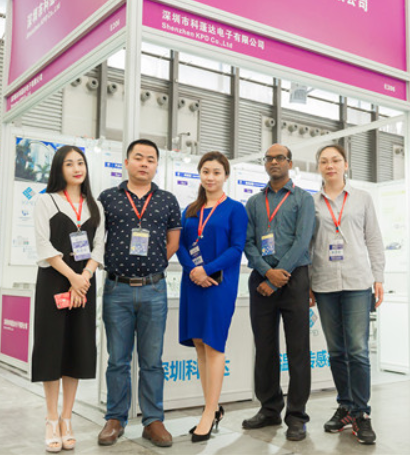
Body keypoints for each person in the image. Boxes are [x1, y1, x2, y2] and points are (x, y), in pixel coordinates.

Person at [98, 139, 181, 448]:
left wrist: (153, 266)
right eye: (138, 157)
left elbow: (173, 242)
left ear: (156, 165)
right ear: (127, 162)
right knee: (117, 360)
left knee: (152, 360)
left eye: (150, 159)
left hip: (153, 289)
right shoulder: (108, 198)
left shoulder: (167, 200)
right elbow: (98, 240)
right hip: (116, 289)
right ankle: (115, 419)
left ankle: (153, 420)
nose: (144, 163)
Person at [309, 144, 385, 445]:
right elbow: (308, 244)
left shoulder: (362, 198)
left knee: (357, 350)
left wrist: (379, 277)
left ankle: (362, 413)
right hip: (325, 283)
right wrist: (308, 284)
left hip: (356, 282)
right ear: (318, 167)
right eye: (324, 161)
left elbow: (374, 239)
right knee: (336, 351)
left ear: (345, 164)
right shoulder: (311, 203)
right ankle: (345, 406)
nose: (330, 165)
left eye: (335, 160)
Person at [32, 145, 104, 453]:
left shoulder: (94, 205)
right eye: (70, 163)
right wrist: (73, 277)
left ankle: (67, 418)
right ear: (59, 169)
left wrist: (84, 277)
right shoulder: (45, 200)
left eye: (81, 163)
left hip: (84, 283)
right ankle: (51, 419)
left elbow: (99, 247)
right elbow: (43, 245)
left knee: (77, 348)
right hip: (54, 280)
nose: (77, 168)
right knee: (51, 349)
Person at [242, 143, 315, 442]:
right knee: (265, 348)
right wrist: (265, 271)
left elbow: (302, 242)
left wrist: (276, 277)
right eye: (269, 158)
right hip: (261, 280)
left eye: (280, 158)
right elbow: (248, 242)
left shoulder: (303, 199)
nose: (274, 162)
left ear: (290, 163)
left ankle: (296, 415)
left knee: (298, 350)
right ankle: (269, 408)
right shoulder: (254, 202)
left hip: (294, 279)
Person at [176, 151, 248, 443]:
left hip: (219, 284)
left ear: (225, 176)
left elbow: (237, 248)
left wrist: (207, 269)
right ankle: (212, 407)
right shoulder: (190, 209)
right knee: (199, 343)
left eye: (217, 172)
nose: (210, 177)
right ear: (200, 174)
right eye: (206, 171)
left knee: (213, 343)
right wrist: (193, 270)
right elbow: (180, 244)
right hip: (193, 282)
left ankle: (208, 412)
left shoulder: (235, 209)